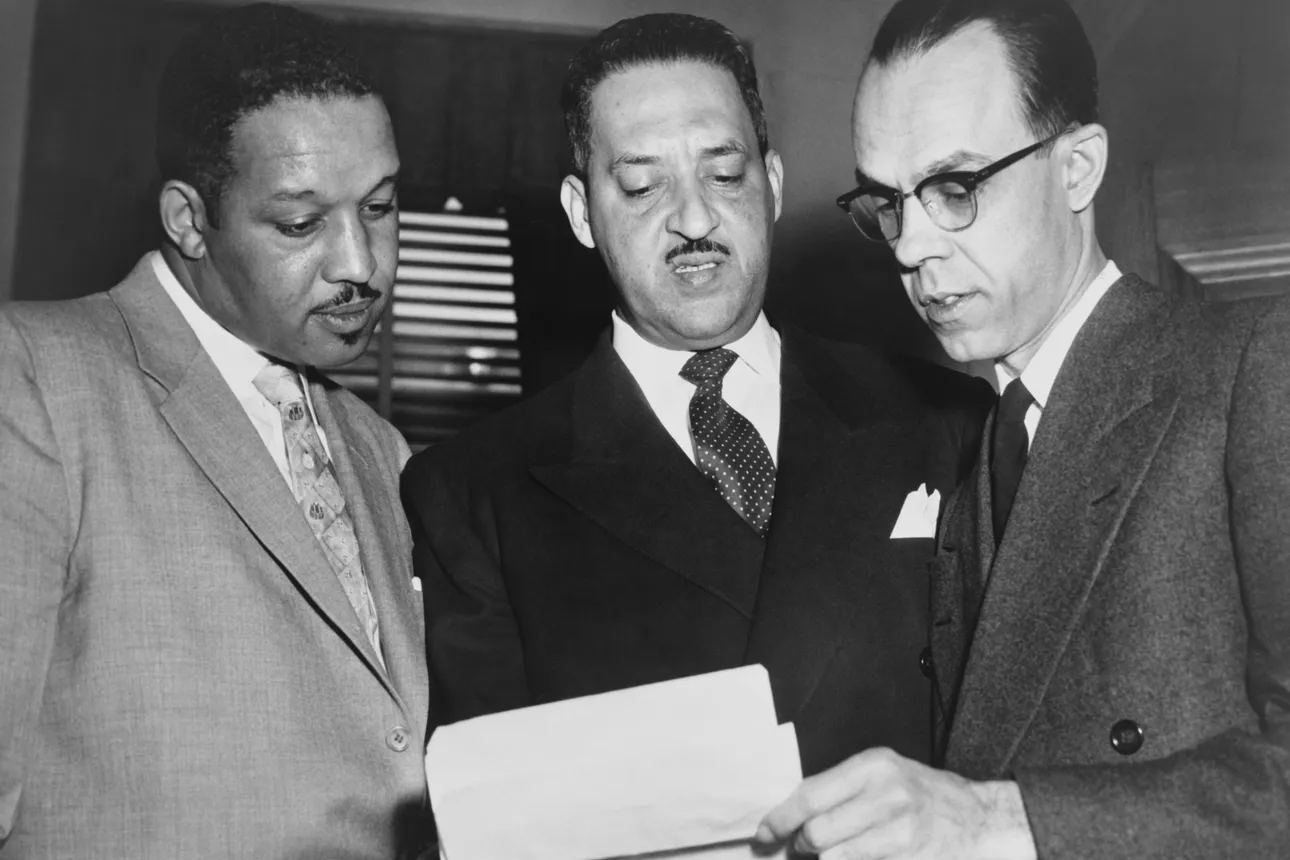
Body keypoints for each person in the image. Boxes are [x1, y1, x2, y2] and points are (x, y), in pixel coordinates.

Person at [757, 0, 1290, 857]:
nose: (909, 247)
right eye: (888, 202)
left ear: (1078, 169)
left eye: (955, 188)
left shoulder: (1253, 370)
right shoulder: (959, 441)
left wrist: (997, 820)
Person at [401, 12, 989, 777]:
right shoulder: (471, 494)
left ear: (772, 186)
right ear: (582, 213)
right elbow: (505, 811)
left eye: (723, 174)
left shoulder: (947, 423)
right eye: (643, 186)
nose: (694, 219)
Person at [0, 5, 430, 857]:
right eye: (301, 224)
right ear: (191, 221)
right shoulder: (33, 378)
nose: (361, 264)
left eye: (378, 207)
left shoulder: (382, 450)